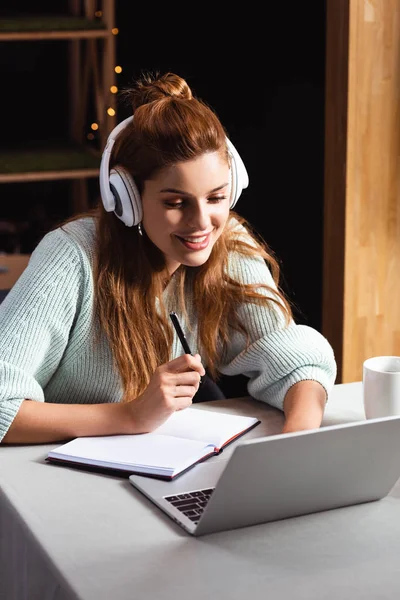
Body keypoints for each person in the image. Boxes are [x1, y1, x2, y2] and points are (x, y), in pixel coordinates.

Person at [0, 72, 336, 445]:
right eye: (175, 203)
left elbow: (297, 363)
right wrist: (129, 416)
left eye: (216, 198)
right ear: (125, 198)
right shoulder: (70, 256)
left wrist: (295, 444)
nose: (201, 223)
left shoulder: (227, 242)